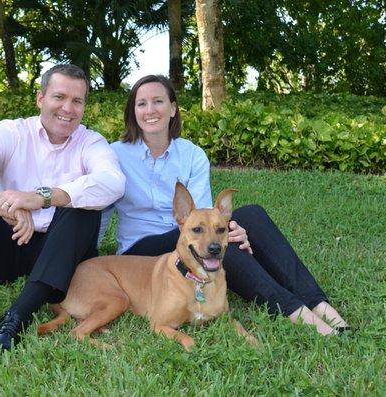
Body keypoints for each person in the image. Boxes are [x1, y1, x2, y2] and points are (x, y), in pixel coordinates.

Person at [100, 75, 349, 336]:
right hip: (144, 250)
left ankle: (321, 306)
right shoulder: (115, 154)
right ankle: (296, 312)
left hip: (191, 232)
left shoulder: (192, 155)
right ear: (133, 112)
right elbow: (100, 205)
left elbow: (207, 217)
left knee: (250, 215)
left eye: (158, 101)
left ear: (173, 108)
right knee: (214, 243)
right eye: (141, 104)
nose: (150, 110)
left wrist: (229, 228)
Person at [0, 64, 125, 357]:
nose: (68, 108)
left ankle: (16, 319)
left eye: (77, 101)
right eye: (59, 97)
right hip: (12, 241)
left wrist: (41, 197)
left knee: (81, 203)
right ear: (40, 98)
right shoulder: (12, 133)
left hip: (62, 256)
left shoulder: (91, 142)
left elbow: (113, 183)